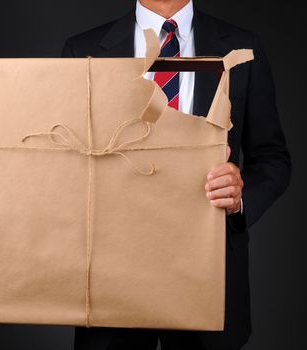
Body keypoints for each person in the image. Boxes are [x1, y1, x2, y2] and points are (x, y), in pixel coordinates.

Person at [61, 0, 292, 349]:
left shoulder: (243, 47)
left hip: (207, 271)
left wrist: (240, 197)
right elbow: (62, 162)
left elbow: (273, 159)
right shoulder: (83, 51)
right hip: (113, 272)